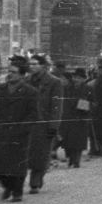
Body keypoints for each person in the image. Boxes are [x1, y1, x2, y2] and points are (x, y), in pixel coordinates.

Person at [0, 56, 37, 202]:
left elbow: (33, 114)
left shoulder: (30, 92)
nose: (10, 74)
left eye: (14, 72)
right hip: (0, 132)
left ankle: (17, 192)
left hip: (18, 133)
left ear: (22, 74)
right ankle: (7, 186)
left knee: (17, 165)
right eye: (9, 71)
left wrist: (22, 129)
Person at [25, 55, 64, 194]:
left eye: (35, 64)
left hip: (44, 123)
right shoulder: (27, 81)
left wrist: (53, 125)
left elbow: (56, 106)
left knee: (42, 154)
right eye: (31, 64)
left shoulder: (54, 82)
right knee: (29, 153)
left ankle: (35, 181)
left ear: (43, 65)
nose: (32, 66)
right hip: (29, 122)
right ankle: (36, 176)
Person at [58, 67, 91, 169]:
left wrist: (83, 105)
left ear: (83, 79)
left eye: (78, 77)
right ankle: (71, 159)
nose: (76, 79)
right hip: (69, 117)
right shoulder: (68, 88)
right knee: (69, 141)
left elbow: (94, 103)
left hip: (81, 117)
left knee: (79, 142)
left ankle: (76, 161)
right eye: (75, 77)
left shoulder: (88, 89)